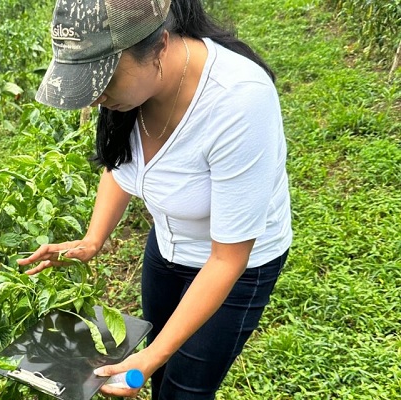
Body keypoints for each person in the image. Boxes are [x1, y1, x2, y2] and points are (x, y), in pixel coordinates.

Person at [17, 0, 292, 398]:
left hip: (236, 265)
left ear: (160, 45)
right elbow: (122, 165)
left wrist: (151, 358)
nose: (96, 99)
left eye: (104, 84)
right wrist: (92, 240)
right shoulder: (131, 91)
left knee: (185, 387)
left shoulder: (239, 102)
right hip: (167, 245)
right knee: (159, 362)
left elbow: (228, 257)